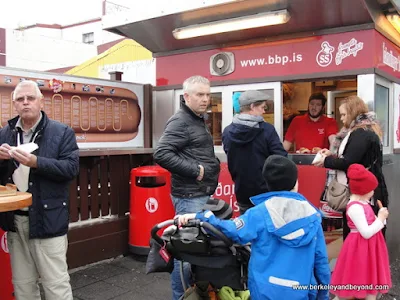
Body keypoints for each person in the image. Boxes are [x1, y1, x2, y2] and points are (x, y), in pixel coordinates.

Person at [178, 155, 331, 300]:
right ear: (296, 182)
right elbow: (321, 264)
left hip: (264, 290)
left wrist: (204, 217)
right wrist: (322, 295)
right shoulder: (313, 216)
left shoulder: (259, 213)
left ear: (267, 183)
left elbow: (231, 230)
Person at [0, 80, 79, 300]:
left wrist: (36, 162)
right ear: (14, 103)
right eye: (20, 99)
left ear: (41, 101)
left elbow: (71, 169)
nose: (25, 103)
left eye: (30, 98)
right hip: (15, 221)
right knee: (23, 285)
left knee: (56, 285)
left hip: (48, 218)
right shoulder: (4, 133)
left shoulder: (61, 132)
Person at [153, 75, 220, 300]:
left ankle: (191, 295)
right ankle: (181, 297)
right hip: (190, 196)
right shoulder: (181, 121)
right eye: (200, 94)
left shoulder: (196, 119)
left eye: (208, 94)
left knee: (195, 251)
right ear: (186, 96)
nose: (205, 99)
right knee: (185, 252)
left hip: (197, 194)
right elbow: (161, 153)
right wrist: (196, 170)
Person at [313, 96, 389, 240]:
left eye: (343, 114)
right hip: (370, 190)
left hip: (364, 193)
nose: (341, 119)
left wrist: (326, 161)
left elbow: (348, 162)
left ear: (353, 112)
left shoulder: (360, 133)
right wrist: (332, 155)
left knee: (357, 236)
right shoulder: (367, 130)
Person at [330, 164, 391, 300]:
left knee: (369, 280)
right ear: (363, 190)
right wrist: (381, 218)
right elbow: (366, 232)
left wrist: (382, 217)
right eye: (371, 189)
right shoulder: (355, 207)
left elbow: (375, 223)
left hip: (370, 247)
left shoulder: (364, 204)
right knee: (356, 277)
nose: (373, 192)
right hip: (360, 248)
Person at [222, 90, 287, 214]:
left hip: (242, 192)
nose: (264, 111)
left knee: (248, 230)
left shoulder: (227, 131)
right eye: (262, 107)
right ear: (252, 106)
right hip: (266, 194)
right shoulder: (266, 130)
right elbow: (281, 159)